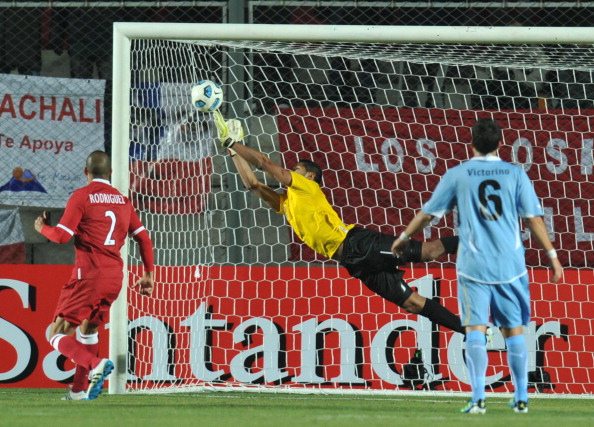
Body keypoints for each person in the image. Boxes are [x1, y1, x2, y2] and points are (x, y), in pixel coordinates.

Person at [213, 111, 466, 339]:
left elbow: (266, 164)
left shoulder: (307, 186)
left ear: (310, 176)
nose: (291, 172)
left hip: (359, 244)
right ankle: (467, 330)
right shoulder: (286, 202)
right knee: (410, 303)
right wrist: (231, 151)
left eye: (296, 169)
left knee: (428, 252)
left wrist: (235, 143)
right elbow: (253, 184)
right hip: (353, 262)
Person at [391, 118, 563, 414]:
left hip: (473, 265)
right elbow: (534, 219)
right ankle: (521, 396)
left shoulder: (458, 174)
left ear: (471, 143)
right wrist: (552, 256)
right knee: (514, 331)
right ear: (500, 143)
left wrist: (405, 236)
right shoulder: (515, 174)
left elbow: (428, 213)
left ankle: (478, 398)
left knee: (474, 329)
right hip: (510, 265)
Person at [34, 150, 155, 401]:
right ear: (110, 173)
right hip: (114, 278)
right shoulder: (123, 201)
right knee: (88, 331)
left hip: (89, 275)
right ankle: (78, 391)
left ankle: (95, 364)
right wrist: (148, 274)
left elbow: (61, 236)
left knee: (54, 333)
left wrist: (41, 227)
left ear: (85, 172)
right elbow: (143, 238)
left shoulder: (81, 197)